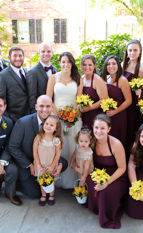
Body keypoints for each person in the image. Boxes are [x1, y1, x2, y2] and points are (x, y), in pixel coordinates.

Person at [8, 95, 68, 199]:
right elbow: (13, 147)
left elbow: (57, 147)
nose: (45, 109)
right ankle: (20, 182)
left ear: (52, 107)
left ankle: (46, 179)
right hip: (28, 161)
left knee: (64, 163)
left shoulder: (55, 122)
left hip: (46, 159)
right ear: (36, 107)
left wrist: (57, 165)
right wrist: (30, 165)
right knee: (35, 194)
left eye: (48, 106)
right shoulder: (22, 123)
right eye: (41, 106)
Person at [86, 114, 128, 229]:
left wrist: (107, 182)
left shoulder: (116, 144)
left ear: (109, 129)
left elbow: (122, 168)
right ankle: (97, 207)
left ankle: (107, 214)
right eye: (96, 128)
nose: (98, 131)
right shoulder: (90, 140)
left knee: (105, 191)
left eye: (102, 128)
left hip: (116, 175)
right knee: (90, 182)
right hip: (98, 171)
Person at [46, 52, 82, 189]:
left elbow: (79, 101)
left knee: (73, 147)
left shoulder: (78, 79)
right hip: (57, 118)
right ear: (59, 63)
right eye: (63, 62)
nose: (65, 64)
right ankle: (56, 179)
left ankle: (72, 182)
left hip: (74, 119)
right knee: (58, 148)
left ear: (72, 64)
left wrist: (72, 116)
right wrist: (60, 116)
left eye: (68, 62)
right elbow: (49, 99)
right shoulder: (53, 78)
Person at [122, 39, 143, 156]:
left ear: (140, 52)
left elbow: (142, 92)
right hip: (121, 101)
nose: (132, 53)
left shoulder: (141, 70)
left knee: (130, 131)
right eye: (130, 50)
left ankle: (129, 158)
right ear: (127, 52)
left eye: (135, 50)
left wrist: (139, 91)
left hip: (133, 106)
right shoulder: (122, 66)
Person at [101, 55, 132, 146]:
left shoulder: (122, 80)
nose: (111, 66)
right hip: (106, 115)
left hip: (119, 115)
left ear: (118, 65)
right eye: (108, 64)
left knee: (116, 140)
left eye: (114, 63)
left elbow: (129, 100)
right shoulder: (106, 79)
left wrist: (115, 111)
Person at [33, 115, 63, 206]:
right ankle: (43, 194)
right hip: (40, 164)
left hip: (50, 164)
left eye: (51, 125)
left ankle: (51, 195)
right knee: (42, 180)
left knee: (50, 180)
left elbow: (58, 154)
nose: (48, 126)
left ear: (55, 129)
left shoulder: (56, 140)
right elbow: (34, 151)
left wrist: (53, 166)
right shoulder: (39, 137)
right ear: (43, 124)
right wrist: (38, 164)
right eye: (46, 123)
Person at [0, 46, 30, 122]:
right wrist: (9, 119)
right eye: (15, 56)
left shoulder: (27, 72)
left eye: (20, 56)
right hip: (13, 119)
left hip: (29, 116)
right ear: (9, 57)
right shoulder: (2, 76)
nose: (18, 58)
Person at [78, 55, 108, 129]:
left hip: (95, 116)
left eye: (90, 65)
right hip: (83, 116)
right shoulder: (81, 79)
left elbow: (104, 100)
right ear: (81, 66)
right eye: (84, 65)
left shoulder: (98, 80)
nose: (87, 67)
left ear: (94, 66)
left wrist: (88, 108)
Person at [27, 42, 57, 111]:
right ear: (39, 53)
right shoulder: (32, 72)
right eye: (43, 51)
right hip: (41, 111)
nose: (46, 54)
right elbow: (32, 97)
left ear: (52, 53)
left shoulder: (55, 70)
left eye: (49, 51)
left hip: (54, 110)